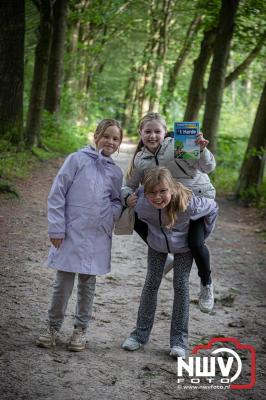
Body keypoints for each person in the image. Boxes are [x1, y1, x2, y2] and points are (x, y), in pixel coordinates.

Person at [36, 119, 123, 351]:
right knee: (62, 283)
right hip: (70, 232)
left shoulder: (115, 172)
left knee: (88, 284)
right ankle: (53, 327)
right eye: (107, 136)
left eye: (116, 139)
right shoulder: (76, 160)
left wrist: (111, 214)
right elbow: (57, 193)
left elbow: (116, 200)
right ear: (96, 136)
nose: (111, 141)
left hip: (97, 236)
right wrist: (56, 227)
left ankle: (79, 330)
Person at [121, 112, 216, 313]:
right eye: (148, 131)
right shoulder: (141, 159)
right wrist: (126, 196)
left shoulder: (178, 145)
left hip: (194, 200)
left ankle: (206, 283)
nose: (153, 136)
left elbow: (207, 167)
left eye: (157, 131)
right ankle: (167, 255)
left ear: (165, 132)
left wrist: (202, 150)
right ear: (140, 133)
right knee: (133, 208)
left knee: (195, 243)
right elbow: (130, 184)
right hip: (168, 202)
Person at [122, 167, 218, 358]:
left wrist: (201, 238)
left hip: (184, 249)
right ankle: (139, 336)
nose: (158, 197)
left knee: (181, 286)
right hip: (157, 246)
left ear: (172, 188)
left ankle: (179, 342)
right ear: (146, 192)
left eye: (162, 191)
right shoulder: (141, 202)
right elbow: (125, 203)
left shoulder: (190, 203)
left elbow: (213, 208)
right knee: (151, 284)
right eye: (152, 193)